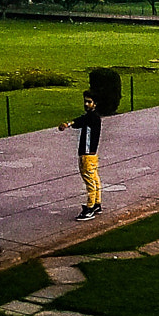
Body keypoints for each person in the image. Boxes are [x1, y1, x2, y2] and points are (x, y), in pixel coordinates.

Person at [58, 92, 104, 221]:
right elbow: (81, 121)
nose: (86, 104)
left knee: (89, 180)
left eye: (89, 102)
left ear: (95, 104)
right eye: (85, 101)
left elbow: (80, 121)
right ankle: (96, 203)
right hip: (92, 154)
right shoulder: (94, 117)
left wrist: (68, 124)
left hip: (86, 154)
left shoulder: (91, 117)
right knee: (94, 178)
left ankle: (90, 208)